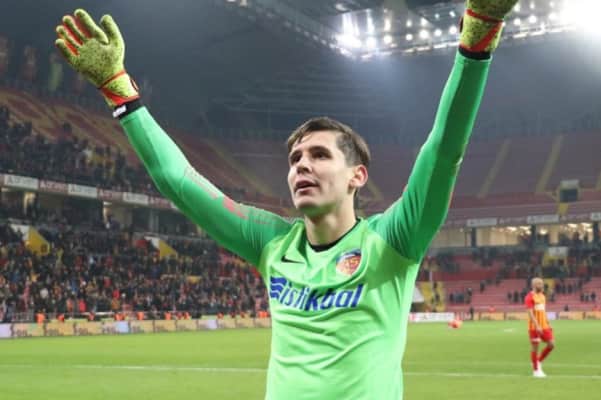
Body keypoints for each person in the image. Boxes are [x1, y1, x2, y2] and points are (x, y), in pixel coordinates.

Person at [54, 1, 519, 399]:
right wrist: (119, 90)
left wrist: (477, 40)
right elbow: (178, 180)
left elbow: (443, 151)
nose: (301, 166)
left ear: (357, 175)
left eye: (319, 155)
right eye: (295, 159)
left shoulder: (393, 240)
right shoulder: (272, 243)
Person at [525, 277, 555, 378]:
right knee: (535, 348)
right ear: (534, 285)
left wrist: (548, 322)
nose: (542, 286)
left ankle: (538, 361)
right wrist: (537, 325)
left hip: (544, 326)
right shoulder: (529, 297)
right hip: (534, 327)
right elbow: (530, 313)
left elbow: (543, 311)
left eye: (542, 284)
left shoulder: (542, 296)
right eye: (539, 284)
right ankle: (536, 371)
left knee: (551, 344)